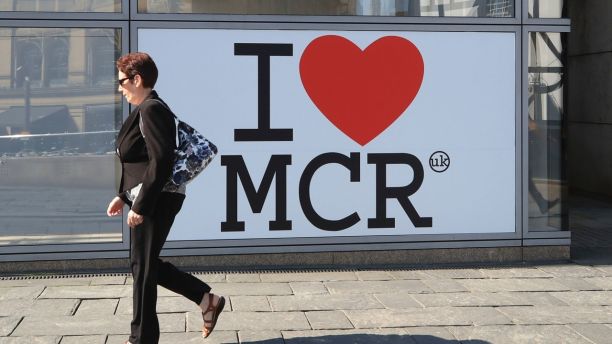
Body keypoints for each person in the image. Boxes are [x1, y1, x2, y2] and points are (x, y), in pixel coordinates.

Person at [106, 52, 225, 344]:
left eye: (122, 82)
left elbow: (161, 160)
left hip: (158, 198)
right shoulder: (145, 109)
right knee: (143, 265)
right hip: (149, 195)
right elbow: (141, 161)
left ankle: (141, 339)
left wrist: (142, 205)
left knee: (143, 269)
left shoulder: (152, 109)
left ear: (137, 79)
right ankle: (206, 299)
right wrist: (124, 196)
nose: (120, 88)